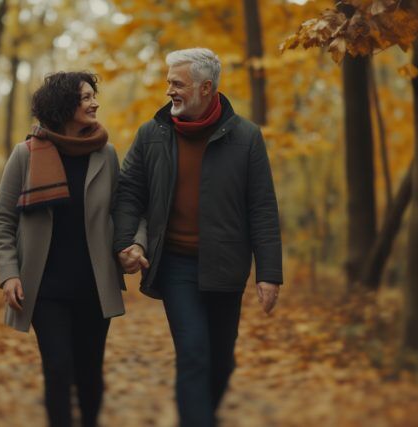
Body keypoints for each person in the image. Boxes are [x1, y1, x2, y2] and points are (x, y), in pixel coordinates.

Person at [113, 48, 283, 427]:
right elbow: (129, 193)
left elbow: (262, 208)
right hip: (175, 264)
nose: (169, 89)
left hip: (225, 266)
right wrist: (128, 241)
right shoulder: (151, 134)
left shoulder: (247, 137)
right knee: (192, 354)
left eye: (178, 83)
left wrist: (269, 273)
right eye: (169, 81)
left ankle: (202, 412)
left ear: (206, 88)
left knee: (221, 360)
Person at [0, 71, 144, 427]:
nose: (95, 103)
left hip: (94, 285)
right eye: (86, 97)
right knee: (58, 369)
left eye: (94, 95)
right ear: (64, 105)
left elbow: (124, 209)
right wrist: (8, 273)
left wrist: (133, 243)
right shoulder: (25, 154)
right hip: (44, 288)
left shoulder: (105, 154)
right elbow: (1, 218)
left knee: (90, 372)